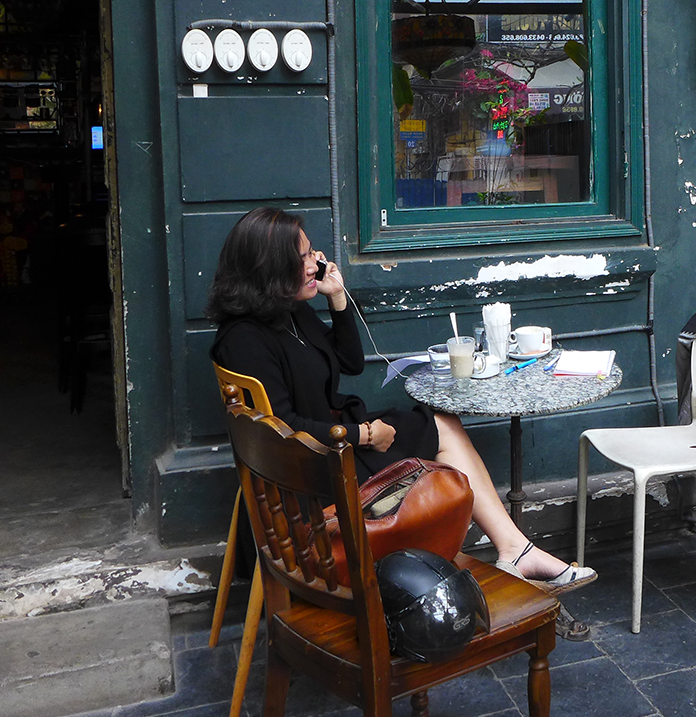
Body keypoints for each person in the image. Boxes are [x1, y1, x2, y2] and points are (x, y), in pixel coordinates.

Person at [207, 206, 594, 594]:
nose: (316, 264)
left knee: (442, 422)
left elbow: (350, 362)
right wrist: (364, 435)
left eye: (312, 253)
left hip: (338, 440)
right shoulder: (244, 339)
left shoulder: (289, 312)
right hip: (315, 468)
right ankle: (488, 558)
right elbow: (284, 430)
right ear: (269, 268)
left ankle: (514, 549)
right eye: (303, 257)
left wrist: (338, 298)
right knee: (436, 457)